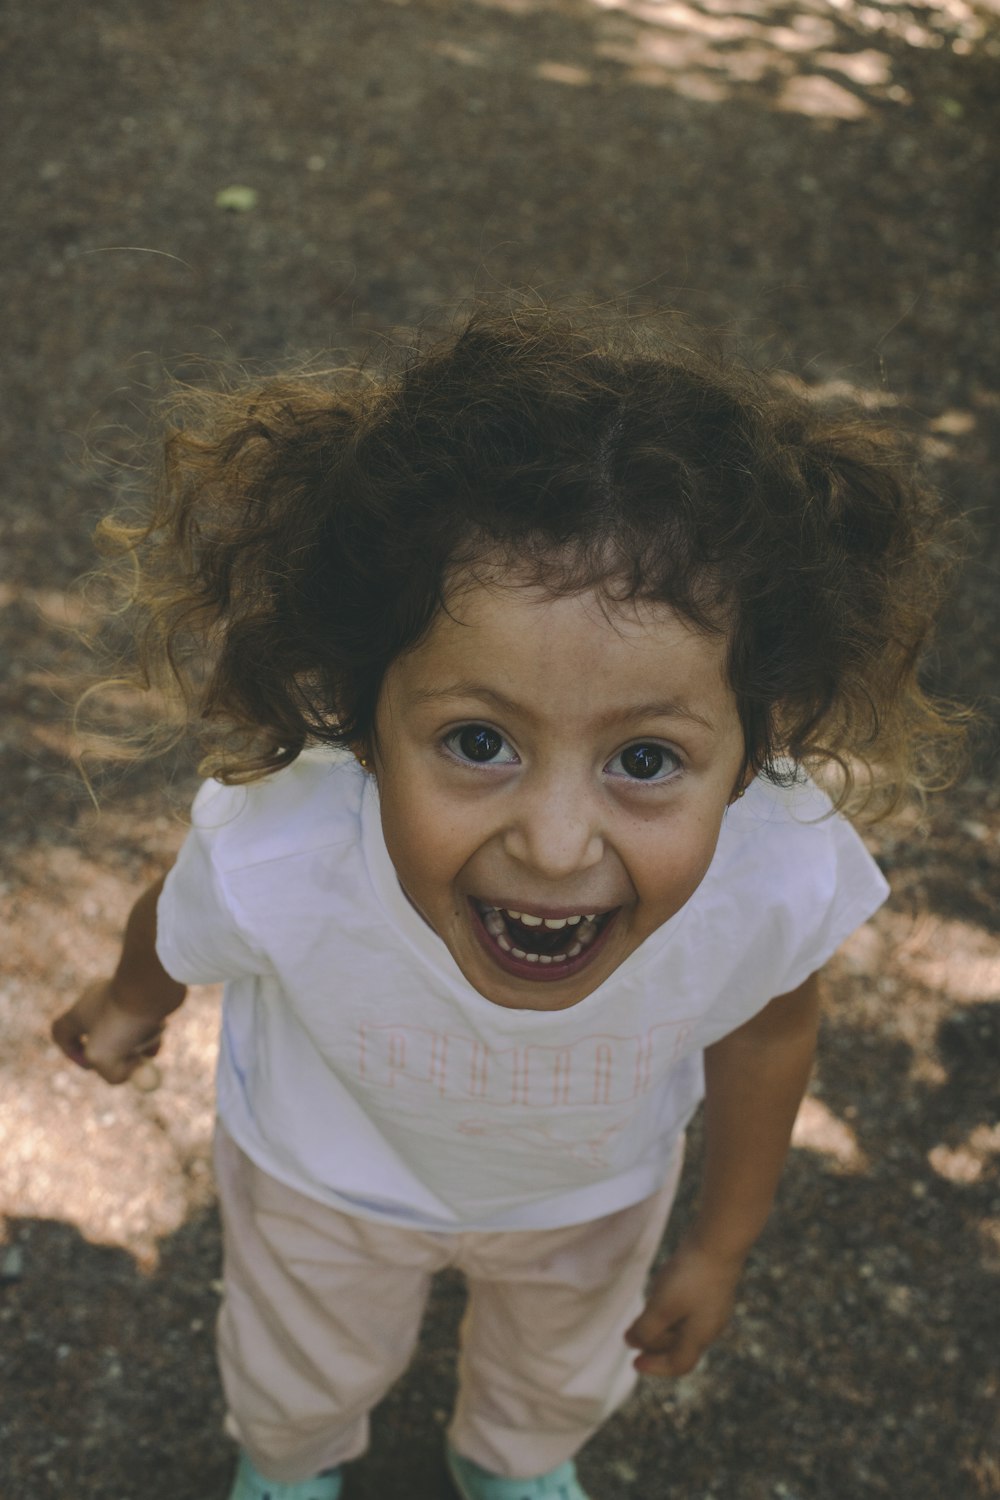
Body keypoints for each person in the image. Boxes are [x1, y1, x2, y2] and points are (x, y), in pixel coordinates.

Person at [52, 308, 961, 1500]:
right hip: (326, 1177)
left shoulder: (770, 871)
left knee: (559, 1375)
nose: (552, 841)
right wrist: (132, 1004)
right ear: (361, 718)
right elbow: (185, 906)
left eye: (644, 760)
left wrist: (717, 1245)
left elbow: (769, 1024)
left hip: (589, 1196)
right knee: (297, 1370)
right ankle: (286, 1465)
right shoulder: (289, 843)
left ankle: (511, 1465)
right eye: (478, 741)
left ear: (755, 747)